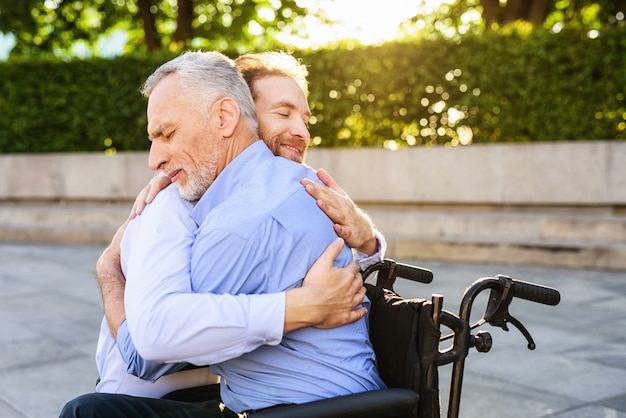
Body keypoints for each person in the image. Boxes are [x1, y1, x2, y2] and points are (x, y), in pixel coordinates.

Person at [60, 51, 384, 417]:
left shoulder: (243, 219)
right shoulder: (280, 187)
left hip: (308, 411)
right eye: (281, 113)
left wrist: (108, 269)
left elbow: (145, 352)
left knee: (89, 413)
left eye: (168, 134)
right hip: (294, 402)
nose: (155, 160)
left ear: (225, 117)